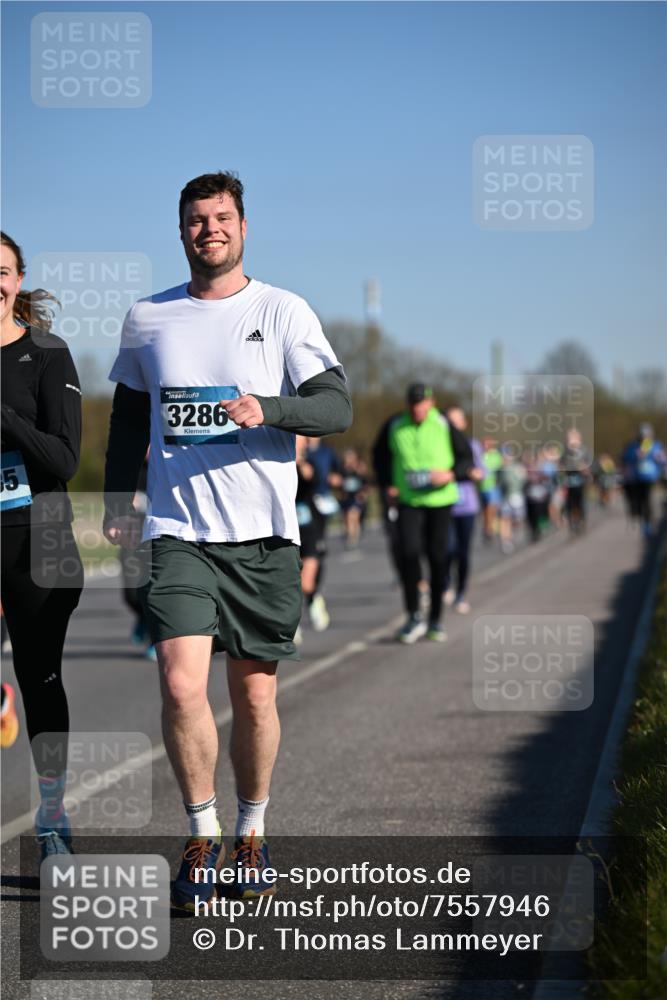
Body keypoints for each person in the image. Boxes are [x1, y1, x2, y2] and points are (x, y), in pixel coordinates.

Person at [103, 172, 351, 911]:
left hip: (262, 536)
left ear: (242, 226)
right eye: (195, 219)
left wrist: (268, 407)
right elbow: (124, 421)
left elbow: (335, 405)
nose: (208, 229)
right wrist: (121, 501)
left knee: (253, 699)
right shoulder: (148, 319)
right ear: (180, 230)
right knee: (180, 685)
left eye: (221, 218)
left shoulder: (281, 310)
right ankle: (201, 834)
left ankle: (253, 828)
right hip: (179, 530)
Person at [0, 232, 83, 856]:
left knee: (39, 678)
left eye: (0, 271)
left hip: (38, 537)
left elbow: (65, 456)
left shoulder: (48, 354)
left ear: (18, 279)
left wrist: (3, 417)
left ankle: (53, 819)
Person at [373, 384, 474, 643]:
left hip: (440, 501)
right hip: (409, 501)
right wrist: (388, 484)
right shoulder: (395, 425)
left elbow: (466, 458)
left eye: (421, 404)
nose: (417, 409)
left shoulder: (443, 423)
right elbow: (379, 456)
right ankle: (413, 615)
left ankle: (436, 620)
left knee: (438, 557)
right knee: (407, 553)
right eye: (413, 404)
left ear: (431, 402)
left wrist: (450, 474)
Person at [443, 407, 484, 614]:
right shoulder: (441, 444)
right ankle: (445, 584)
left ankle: (461, 594)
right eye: (449, 421)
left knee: (462, 552)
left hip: (466, 506)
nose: (452, 425)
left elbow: (481, 472)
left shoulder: (472, 446)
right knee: (446, 548)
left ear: (464, 424)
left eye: (456, 421)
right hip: (445, 504)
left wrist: (470, 472)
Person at [301, 436, 342, 630]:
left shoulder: (314, 458)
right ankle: (290, 624)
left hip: (311, 522)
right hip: (281, 526)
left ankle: (313, 597)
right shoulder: (273, 454)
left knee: (307, 580)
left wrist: (300, 462)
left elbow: (316, 477)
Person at [621, 424, 666, 536]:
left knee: (647, 500)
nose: (645, 437)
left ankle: (647, 523)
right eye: (643, 435)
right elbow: (625, 458)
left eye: (647, 435)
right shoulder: (633, 446)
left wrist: (657, 458)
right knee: (638, 500)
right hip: (636, 478)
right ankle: (639, 518)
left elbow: (662, 460)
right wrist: (636, 456)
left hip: (649, 477)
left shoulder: (655, 446)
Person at [561, 428, 592, 536]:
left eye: (573, 438)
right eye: (569, 438)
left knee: (580, 503)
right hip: (569, 482)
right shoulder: (565, 452)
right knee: (570, 504)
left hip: (580, 482)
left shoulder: (584, 451)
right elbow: (561, 466)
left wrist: (584, 468)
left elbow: (589, 466)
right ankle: (573, 523)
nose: (571, 441)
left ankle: (581, 520)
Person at [338, 447, 369, 548]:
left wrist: (363, 493)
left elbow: (366, 482)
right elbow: (338, 484)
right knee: (346, 518)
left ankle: (352, 538)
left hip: (356, 497)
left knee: (353, 516)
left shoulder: (359, 468)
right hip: (346, 497)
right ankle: (349, 533)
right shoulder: (342, 469)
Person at [479, 437, 503, 543]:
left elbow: (499, 469)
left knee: (491, 508)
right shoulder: (479, 455)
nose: (485, 446)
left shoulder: (496, 456)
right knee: (485, 509)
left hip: (492, 486)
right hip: (481, 486)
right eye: (484, 444)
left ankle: (489, 529)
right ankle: (487, 527)